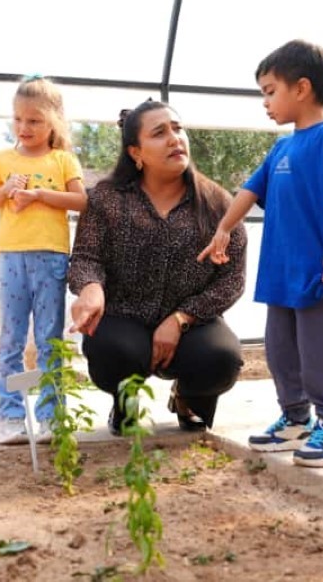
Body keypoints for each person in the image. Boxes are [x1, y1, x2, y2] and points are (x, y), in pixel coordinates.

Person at [200, 40, 323, 468]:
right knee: (281, 347)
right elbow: (251, 190)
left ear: (302, 88)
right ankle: (295, 418)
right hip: (280, 271)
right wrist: (223, 227)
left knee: (320, 349)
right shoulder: (282, 149)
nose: (266, 102)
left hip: (317, 269)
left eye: (270, 91)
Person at [70, 100, 245, 435]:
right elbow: (86, 257)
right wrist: (91, 288)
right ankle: (126, 402)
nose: (174, 138)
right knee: (110, 350)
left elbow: (232, 280)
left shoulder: (219, 204)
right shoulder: (107, 198)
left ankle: (187, 398)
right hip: (125, 317)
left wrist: (181, 319)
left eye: (178, 129)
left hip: (193, 323)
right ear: (136, 152)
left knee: (221, 359)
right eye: (160, 132)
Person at [0, 77, 87, 445]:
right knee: (11, 338)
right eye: (18, 119)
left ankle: (50, 416)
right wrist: (8, 189)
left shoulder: (63, 160)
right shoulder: (0, 159)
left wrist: (40, 194)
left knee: (49, 339)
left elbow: (82, 202)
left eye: (34, 121)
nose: (24, 128)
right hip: (11, 257)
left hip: (51, 258)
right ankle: (10, 416)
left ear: (53, 123)